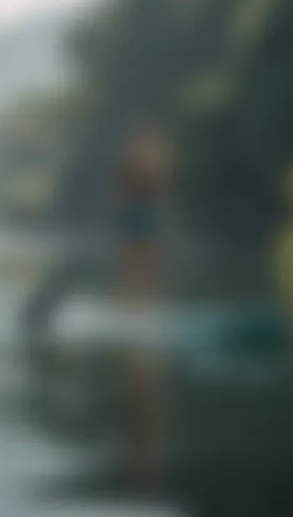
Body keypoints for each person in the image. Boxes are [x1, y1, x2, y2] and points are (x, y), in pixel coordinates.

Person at [117, 122, 172, 495]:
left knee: (143, 268)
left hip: (143, 219)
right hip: (141, 219)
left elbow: (149, 196)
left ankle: (143, 309)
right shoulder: (144, 171)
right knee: (140, 269)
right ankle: (142, 309)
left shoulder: (146, 171)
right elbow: (133, 195)